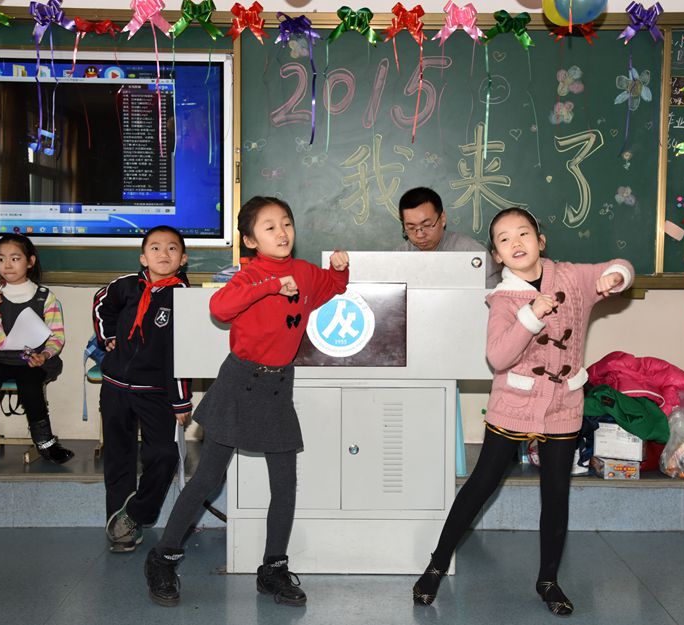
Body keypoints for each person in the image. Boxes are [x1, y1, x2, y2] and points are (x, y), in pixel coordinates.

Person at [412, 207, 634, 616]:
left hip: (564, 403)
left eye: (523, 233)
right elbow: (498, 357)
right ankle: (436, 565)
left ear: (540, 240)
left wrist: (616, 277)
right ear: (497, 255)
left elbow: (620, 266)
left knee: (556, 493)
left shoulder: (571, 277)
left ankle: (548, 579)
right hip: (513, 403)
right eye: (504, 239)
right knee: (481, 484)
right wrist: (530, 316)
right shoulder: (503, 299)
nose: (516, 243)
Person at [144, 196, 349, 607]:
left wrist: (340, 269)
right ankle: (163, 557)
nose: (282, 232)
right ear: (251, 240)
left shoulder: (304, 272)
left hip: (278, 387)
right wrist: (271, 285)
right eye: (270, 227)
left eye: (286, 223)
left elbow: (332, 286)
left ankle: (273, 569)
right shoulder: (249, 275)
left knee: (285, 486)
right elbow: (220, 308)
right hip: (239, 384)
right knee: (207, 478)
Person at [93, 226, 192, 553]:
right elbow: (101, 303)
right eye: (155, 248)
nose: (163, 254)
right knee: (119, 457)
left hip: (156, 391)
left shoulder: (184, 298)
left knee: (163, 454)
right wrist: (108, 336)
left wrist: (181, 401)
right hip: (115, 387)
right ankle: (120, 529)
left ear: (183, 258)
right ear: (143, 257)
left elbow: (182, 353)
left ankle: (136, 513)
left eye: (172, 248)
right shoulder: (125, 286)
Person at [0, 233, 73, 472]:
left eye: (15, 258)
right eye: (1, 259)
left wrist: (45, 355)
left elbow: (57, 337)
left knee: (30, 381)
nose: (7, 265)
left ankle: (46, 444)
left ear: (30, 261)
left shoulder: (45, 297)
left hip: (33, 358)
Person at [395, 186, 502, 287]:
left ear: (442, 218)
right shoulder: (400, 256)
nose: (419, 235)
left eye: (427, 225)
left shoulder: (470, 251)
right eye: (411, 227)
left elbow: (496, 293)